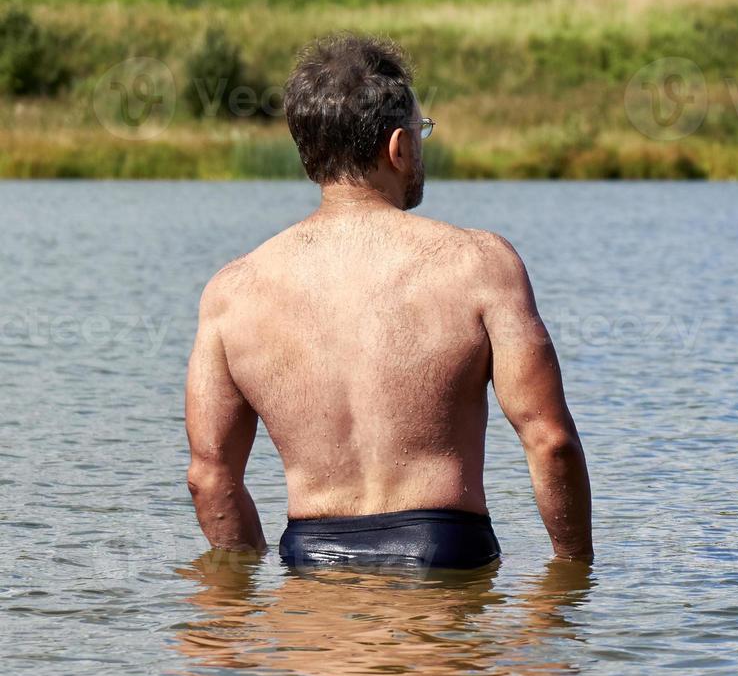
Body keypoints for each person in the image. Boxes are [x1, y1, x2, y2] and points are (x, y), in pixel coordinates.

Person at [185, 34, 592, 569]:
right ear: (398, 147)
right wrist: (573, 576)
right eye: (421, 132)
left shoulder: (232, 292)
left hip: (311, 558)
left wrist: (249, 582)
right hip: (443, 551)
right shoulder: (479, 263)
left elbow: (210, 476)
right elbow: (550, 442)